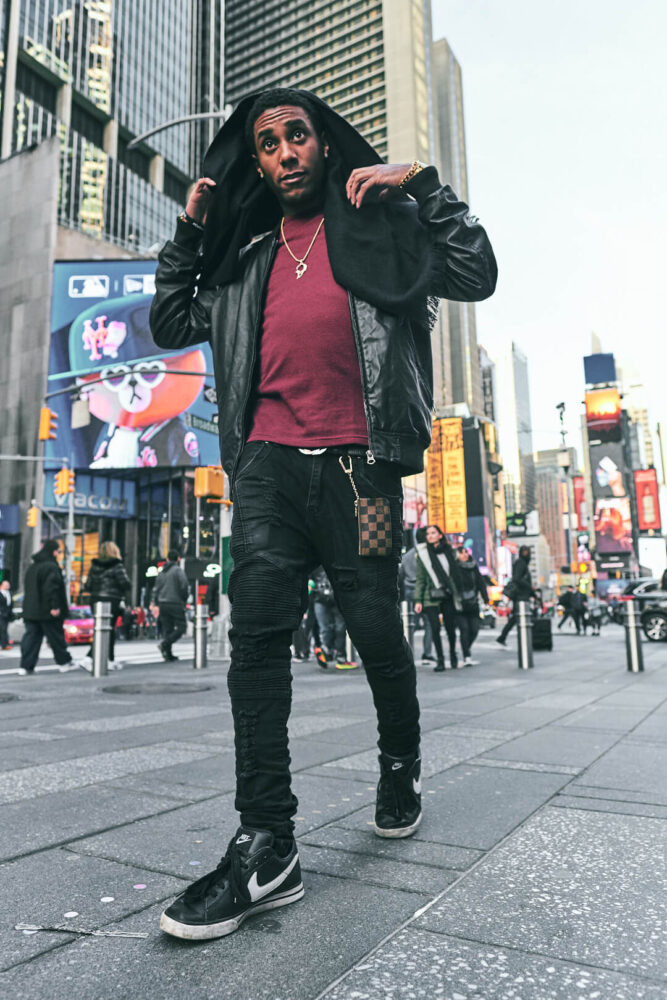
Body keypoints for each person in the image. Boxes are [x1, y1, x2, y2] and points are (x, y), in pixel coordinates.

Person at [150, 86, 496, 940]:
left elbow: (475, 272)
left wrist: (418, 182)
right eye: (266, 144)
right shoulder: (245, 254)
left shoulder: (382, 226)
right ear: (257, 162)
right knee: (256, 638)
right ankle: (267, 840)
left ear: (323, 142)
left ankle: (399, 763)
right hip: (266, 468)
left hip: (360, 470)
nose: (284, 154)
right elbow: (166, 320)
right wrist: (193, 232)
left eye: (296, 136)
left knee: (374, 622)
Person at [19, 539, 73, 675]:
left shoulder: (32, 567)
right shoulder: (52, 567)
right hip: (47, 610)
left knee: (31, 639)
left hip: (31, 611)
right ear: (54, 551)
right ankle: (64, 662)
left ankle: (26, 666)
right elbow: (51, 588)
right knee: (55, 637)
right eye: (58, 551)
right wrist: (54, 606)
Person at [414, 525, 460, 670]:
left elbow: (455, 575)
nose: (430, 536)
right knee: (435, 628)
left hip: (447, 594)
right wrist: (418, 600)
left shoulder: (450, 552)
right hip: (430, 595)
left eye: (434, 533)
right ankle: (440, 660)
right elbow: (420, 578)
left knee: (450, 628)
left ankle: (453, 654)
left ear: (440, 535)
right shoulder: (423, 555)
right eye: (428, 534)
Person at [82, 541, 132, 670]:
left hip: (95, 600)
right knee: (109, 630)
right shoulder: (117, 565)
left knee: (100, 629)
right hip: (111, 600)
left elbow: (87, 585)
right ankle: (93, 658)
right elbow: (125, 583)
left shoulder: (94, 566)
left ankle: (106, 659)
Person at [399, 540, 434, 664]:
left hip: (409, 591)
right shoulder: (427, 554)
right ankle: (427, 653)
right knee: (429, 623)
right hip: (425, 591)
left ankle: (405, 652)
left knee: (410, 623)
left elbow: (400, 574)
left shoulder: (407, 556)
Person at [453, 546, 489, 666]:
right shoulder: (454, 567)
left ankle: (466, 648)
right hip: (460, 604)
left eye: (466, 552)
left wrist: (485, 598)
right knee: (465, 630)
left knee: (474, 630)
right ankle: (466, 655)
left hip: (473, 603)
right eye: (461, 553)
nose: (464, 555)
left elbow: (481, 583)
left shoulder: (473, 567)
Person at [151, 549, 189, 662]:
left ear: (167, 559)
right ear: (178, 559)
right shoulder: (178, 571)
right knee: (182, 627)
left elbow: (155, 589)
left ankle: (168, 654)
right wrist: (184, 599)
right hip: (175, 602)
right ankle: (165, 644)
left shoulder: (161, 572)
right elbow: (184, 585)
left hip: (163, 604)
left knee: (168, 628)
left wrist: (155, 603)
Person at [496, 546, 537, 646]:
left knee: (517, 618)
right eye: (524, 552)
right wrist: (530, 588)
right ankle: (523, 638)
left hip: (521, 595)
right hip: (520, 596)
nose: (526, 554)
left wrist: (533, 593)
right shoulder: (521, 563)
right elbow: (517, 579)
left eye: (527, 552)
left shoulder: (522, 563)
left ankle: (504, 637)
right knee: (520, 617)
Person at [0, 579, 13, 649]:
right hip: (1, 614)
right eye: (6, 585)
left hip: (7, 614)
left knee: (4, 629)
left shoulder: (10, 593)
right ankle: (4, 645)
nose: (8, 586)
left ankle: (5, 644)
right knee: (3, 629)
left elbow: (10, 604)